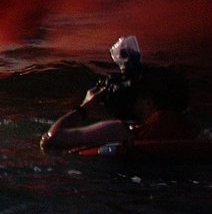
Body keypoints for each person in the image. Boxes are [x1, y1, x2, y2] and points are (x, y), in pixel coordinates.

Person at [40, 36, 197, 153]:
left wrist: (85, 107)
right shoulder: (191, 133)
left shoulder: (120, 132)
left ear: (148, 102)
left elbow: (50, 140)